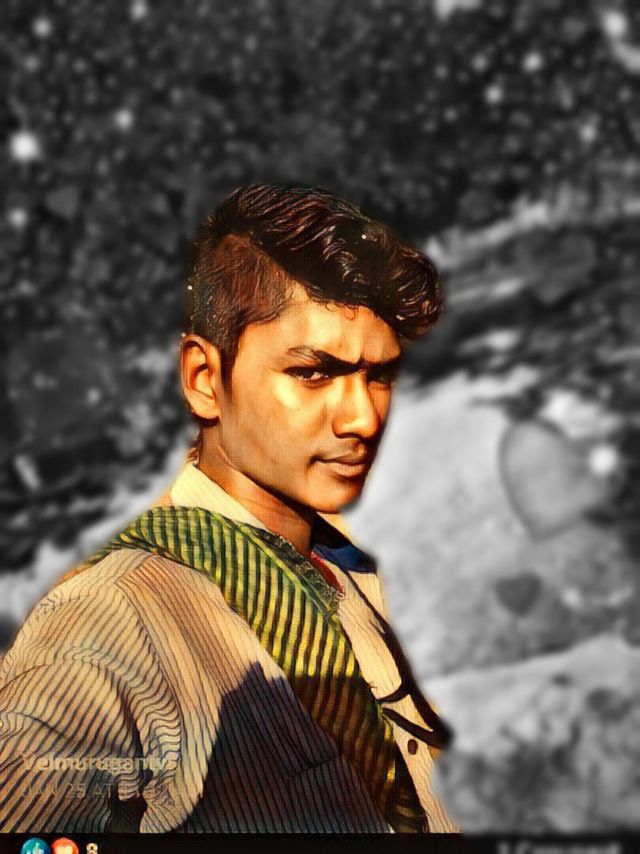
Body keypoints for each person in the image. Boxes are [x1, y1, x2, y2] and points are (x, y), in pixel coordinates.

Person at [0, 185, 458, 833]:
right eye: (313, 373)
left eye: (378, 375)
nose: (362, 418)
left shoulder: (341, 571)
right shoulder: (106, 623)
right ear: (204, 380)